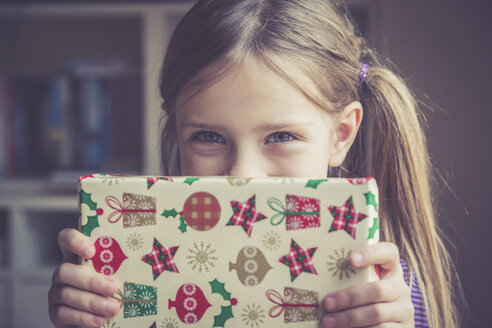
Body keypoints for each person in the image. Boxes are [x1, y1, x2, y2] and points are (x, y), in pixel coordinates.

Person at [48, 0, 459, 327]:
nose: (243, 174)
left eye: (281, 137)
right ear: (176, 131)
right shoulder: (132, 278)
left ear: (341, 135)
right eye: (209, 136)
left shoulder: (384, 296)